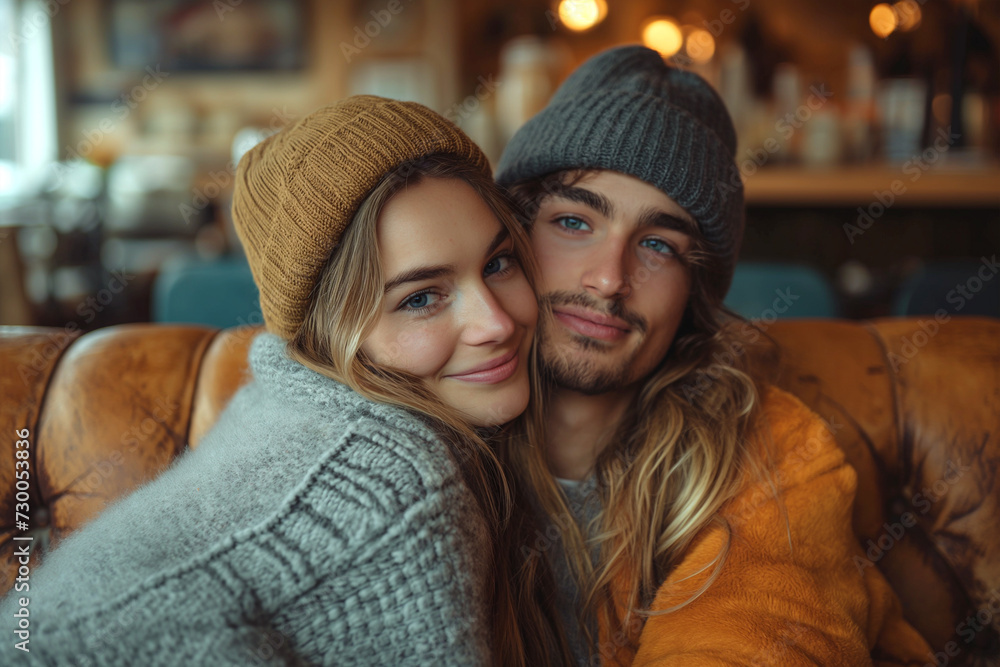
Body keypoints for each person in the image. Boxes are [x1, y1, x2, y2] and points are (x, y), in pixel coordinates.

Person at [0, 96, 538, 665]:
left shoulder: (278, 395)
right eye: (421, 298)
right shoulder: (398, 492)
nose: (497, 323)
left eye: (497, 264)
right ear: (325, 330)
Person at [495, 45, 934, 666]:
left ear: (694, 290)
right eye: (574, 223)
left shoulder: (773, 455)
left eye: (658, 245)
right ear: (510, 237)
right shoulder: (426, 433)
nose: (609, 279)